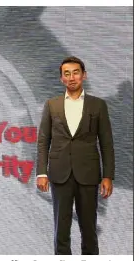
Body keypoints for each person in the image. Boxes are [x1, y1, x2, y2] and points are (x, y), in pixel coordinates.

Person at [36, 56, 115, 255]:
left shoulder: (98, 105)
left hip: (88, 174)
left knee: (89, 230)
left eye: (76, 72)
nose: (72, 77)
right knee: (61, 231)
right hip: (59, 173)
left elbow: (106, 143)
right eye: (66, 74)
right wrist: (41, 173)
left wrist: (108, 176)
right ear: (61, 78)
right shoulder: (51, 105)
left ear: (84, 75)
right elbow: (43, 141)